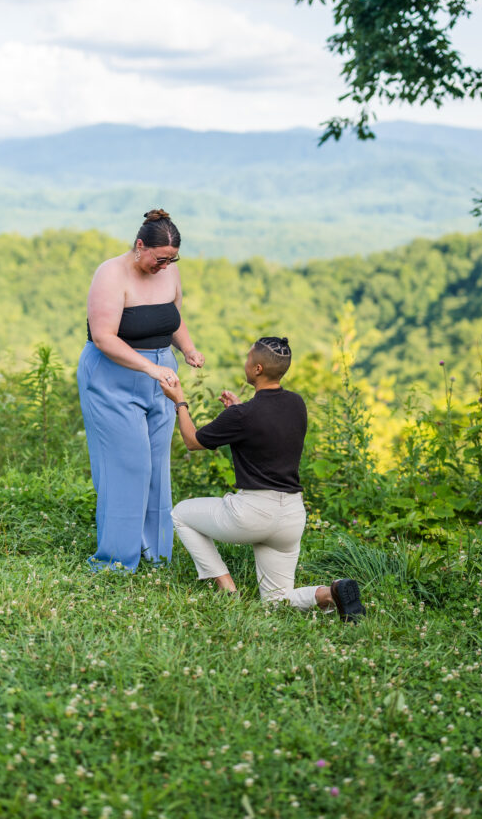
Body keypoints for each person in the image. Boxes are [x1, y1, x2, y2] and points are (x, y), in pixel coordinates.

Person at [160, 336, 365, 620]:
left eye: (247, 359)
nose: (245, 362)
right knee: (276, 601)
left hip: (252, 514)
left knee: (180, 513)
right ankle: (331, 593)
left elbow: (193, 441)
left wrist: (179, 401)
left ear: (257, 369)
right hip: (291, 517)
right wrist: (237, 410)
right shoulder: (296, 404)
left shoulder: (244, 415)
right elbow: (267, 424)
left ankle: (227, 588)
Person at [77, 209, 204, 571]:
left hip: (161, 379)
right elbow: (103, 337)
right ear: (139, 246)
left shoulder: (170, 272)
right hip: (113, 378)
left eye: (172, 259)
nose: (165, 266)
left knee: (156, 466)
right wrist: (151, 368)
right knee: (127, 465)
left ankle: (157, 555)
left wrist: (188, 348)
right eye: (159, 258)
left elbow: (172, 319)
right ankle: (116, 561)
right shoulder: (110, 274)